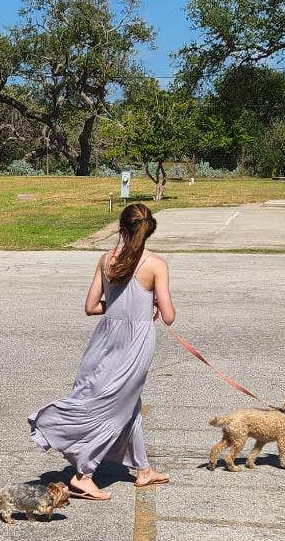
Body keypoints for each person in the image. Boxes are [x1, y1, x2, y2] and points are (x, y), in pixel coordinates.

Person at [29, 202, 175, 501]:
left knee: (125, 402)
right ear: (149, 231)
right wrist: (149, 306)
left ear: (122, 228)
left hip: (105, 340)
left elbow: (91, 307)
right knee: (114, 407)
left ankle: (143, 470)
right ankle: (84, 474)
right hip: (135, 345)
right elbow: (170, 316)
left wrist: (119, 307)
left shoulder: (106, 259)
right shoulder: (155, 264)